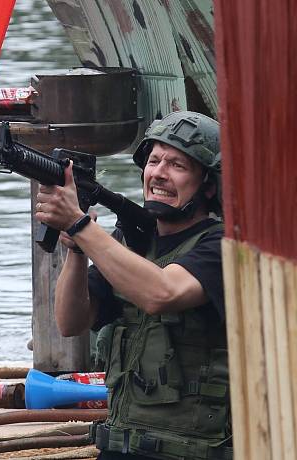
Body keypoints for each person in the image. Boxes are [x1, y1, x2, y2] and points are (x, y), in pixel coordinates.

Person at [35, 111, 230, 460]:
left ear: (208, 185)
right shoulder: (128, 243)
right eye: (154, 161)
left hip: (192, 450)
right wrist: (78, 251)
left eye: (177, 165)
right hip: (122, 442)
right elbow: (71, 322)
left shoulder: (220, 247)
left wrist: (81, 226)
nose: (159, 174)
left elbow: (162, 293)